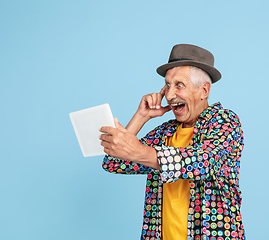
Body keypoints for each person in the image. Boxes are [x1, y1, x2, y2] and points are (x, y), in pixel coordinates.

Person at [99, 44, 245, 240]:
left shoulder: (224, 122)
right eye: (167, 85)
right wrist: (141, 117)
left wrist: (140, 152)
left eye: (179, 85)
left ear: (204, 90)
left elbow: (201, 162)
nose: (168, 95)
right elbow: (113, 162)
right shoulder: (166, 132)